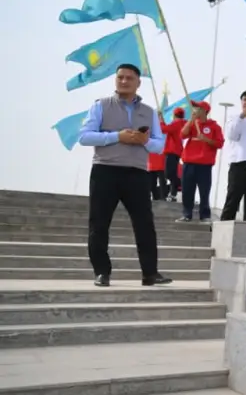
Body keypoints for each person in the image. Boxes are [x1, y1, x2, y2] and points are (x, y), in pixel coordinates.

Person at [78, 64, 172, 287]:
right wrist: (116, 136)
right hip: (105, 170)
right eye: (120, 77)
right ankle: (102, 272)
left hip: (137, 173)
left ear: (138, 82)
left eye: (129, 78)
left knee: (145, 224)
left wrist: (145, 141)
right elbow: (84, 137)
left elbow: (159, 146)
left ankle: (150, 273)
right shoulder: (101, 106)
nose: (124, 81)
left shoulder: (149, 112)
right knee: (99, 223)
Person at [178, 101, 224, 223]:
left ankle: (205, 215)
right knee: (187, 190)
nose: (194, 109)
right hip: (189, 162)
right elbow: (182, 135)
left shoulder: (214, 126)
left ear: (204, 110)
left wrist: (206, 139)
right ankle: (187, 214)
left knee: (204, 191)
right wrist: (191, 121)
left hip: (204, 164)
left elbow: (219, 143)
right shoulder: (192, 124)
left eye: (197, 108)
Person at [220, 90, 246, 222]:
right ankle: (225, 224)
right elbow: (232, 135)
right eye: (245, 99)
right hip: (240, 163)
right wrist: (242, 116)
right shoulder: (234, 117)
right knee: (233, 197)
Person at [160, 107, 187, 202]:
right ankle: (173, 193)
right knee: (173, 173)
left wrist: (161, 121)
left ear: (174, 115)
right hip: (178, 151)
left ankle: (182, 184)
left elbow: (163, 129)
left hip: (172, 151)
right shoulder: (184, 123)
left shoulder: (176, 123)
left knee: (168, 174)